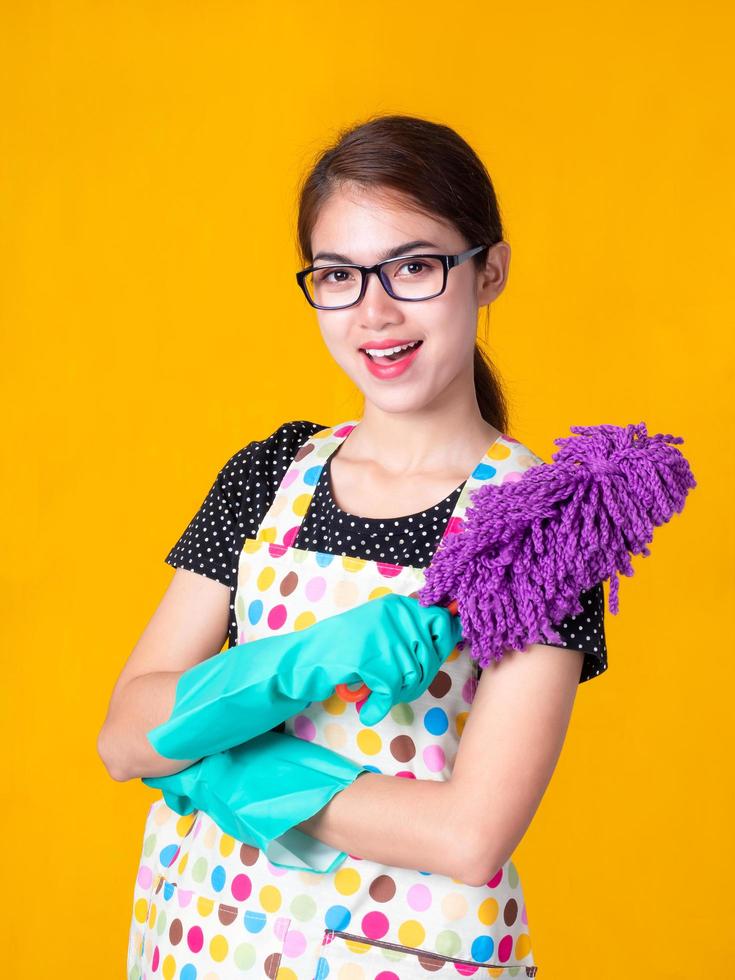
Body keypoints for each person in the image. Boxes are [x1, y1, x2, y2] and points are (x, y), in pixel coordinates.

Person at [100, 112, 608, 979]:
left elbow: (468, 832)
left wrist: (238, 772)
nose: (374, 312)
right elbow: (126, 734)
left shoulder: (540, 524)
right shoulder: (267, 476)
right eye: (339, 275)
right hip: (207, 937)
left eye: (413, 267)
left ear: (488, 271)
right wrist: (300, 662)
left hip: (403, 954)